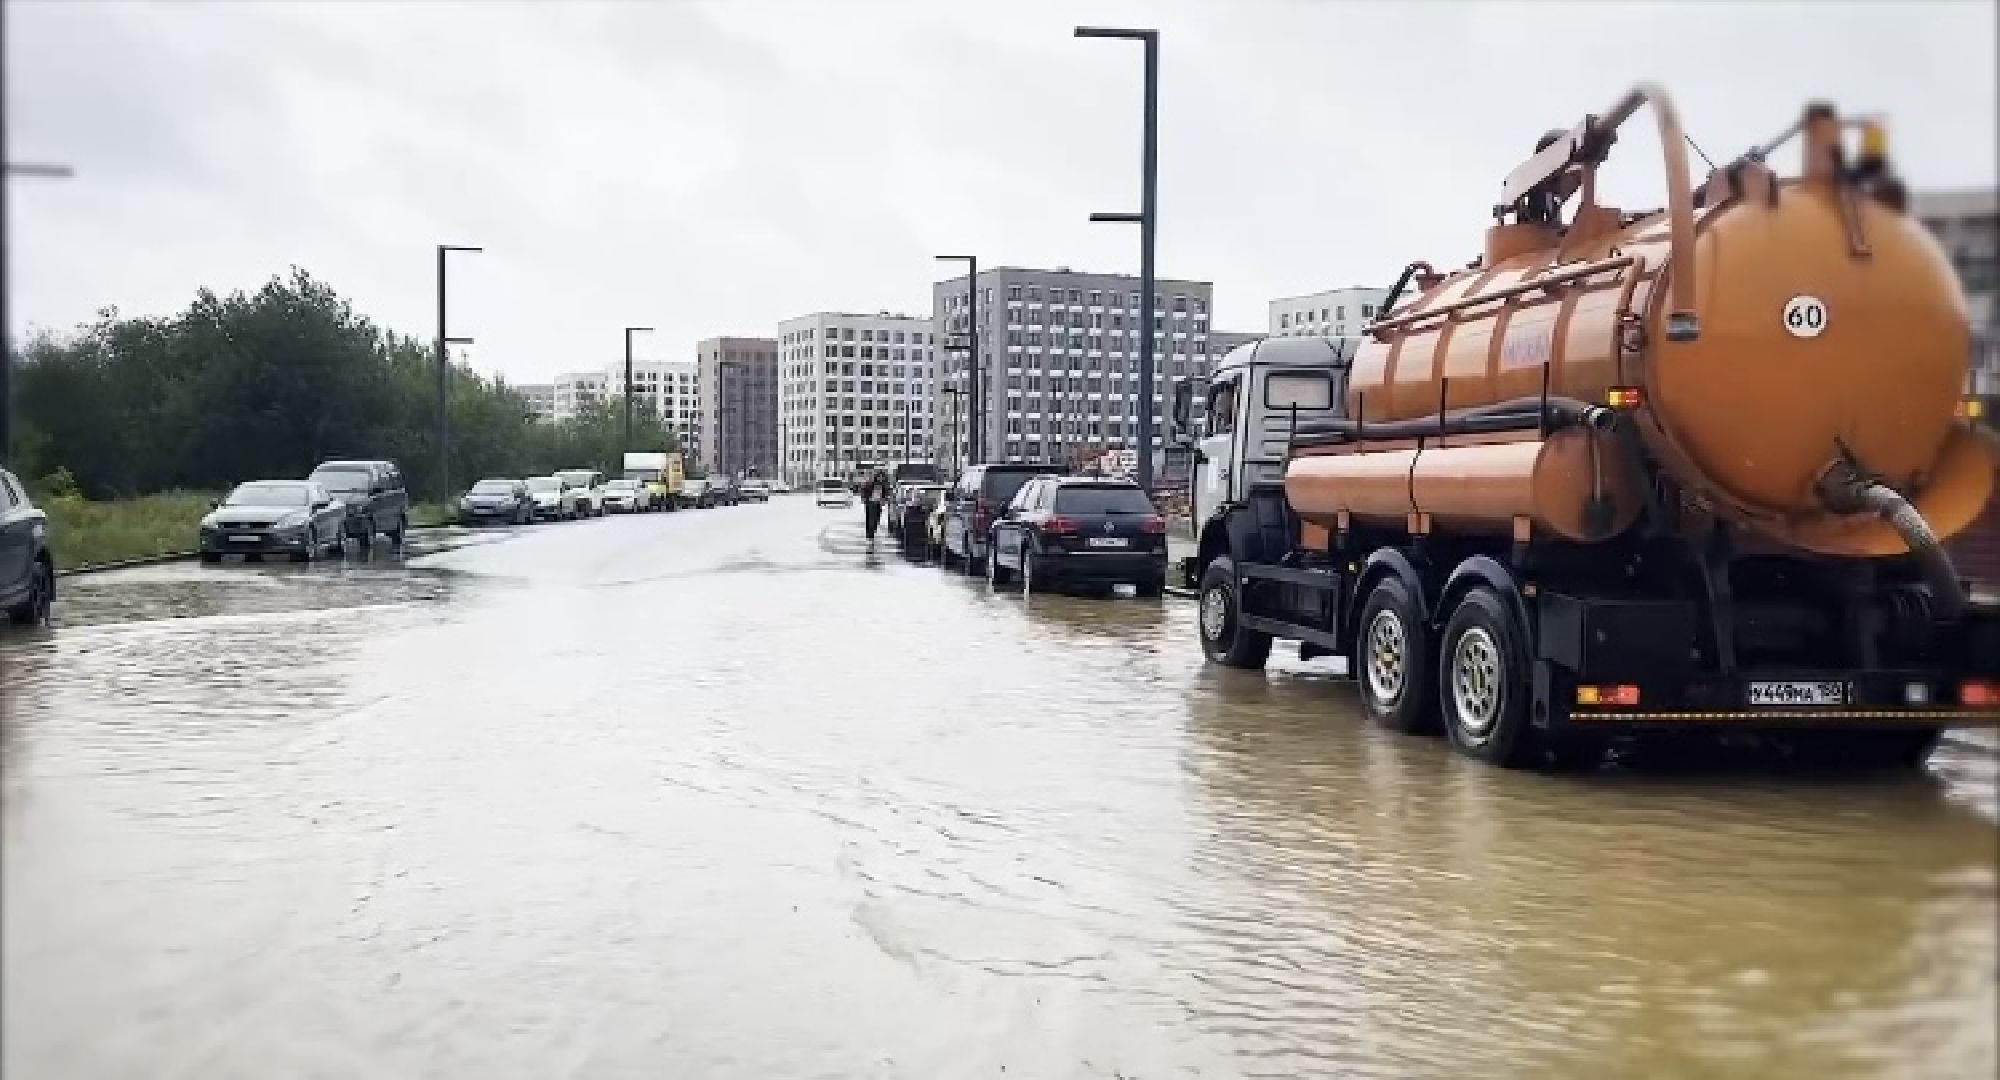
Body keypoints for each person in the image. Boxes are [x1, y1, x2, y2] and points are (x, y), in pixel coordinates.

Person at [861, 469, 891, 542]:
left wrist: (884, 500)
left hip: (878, 503)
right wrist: (865, 498)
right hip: (870, 502)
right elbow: (864, 491)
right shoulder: (871, 484)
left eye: (882, 477)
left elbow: (886, 494)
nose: (880, 479)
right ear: (876, 477)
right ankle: (870, 534)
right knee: (870, 518)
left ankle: (872, 530)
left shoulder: (884, 486)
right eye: (879, 477)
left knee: (877, 518)